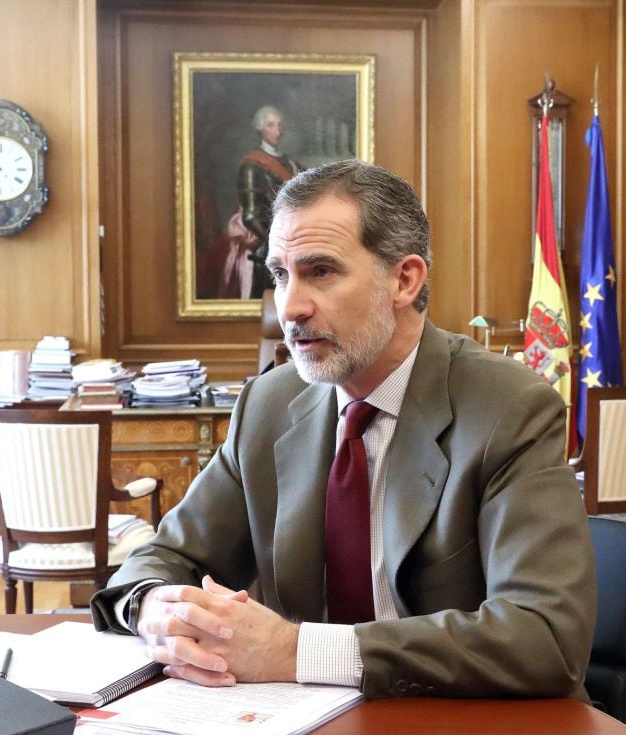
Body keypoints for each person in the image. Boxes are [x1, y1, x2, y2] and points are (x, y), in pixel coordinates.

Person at [91, 160, 596, 701]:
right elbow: (171, 556)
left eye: (321, 272)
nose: (290, 307)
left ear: (404, 280)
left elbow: (545, 636)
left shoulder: (508, 409)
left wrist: (297, 650)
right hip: (298, 729)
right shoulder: (268, 403)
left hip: (464, 731)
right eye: (280, 275)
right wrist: (150, 606)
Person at [212, 105, 303, 300]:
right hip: (261, 238)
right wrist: (276, 243)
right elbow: (251, 215)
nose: (277, 130)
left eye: (279, 125)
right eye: (271, 125)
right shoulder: (252, 165)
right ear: (260, 129)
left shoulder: (292, 164)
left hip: (291, 235)